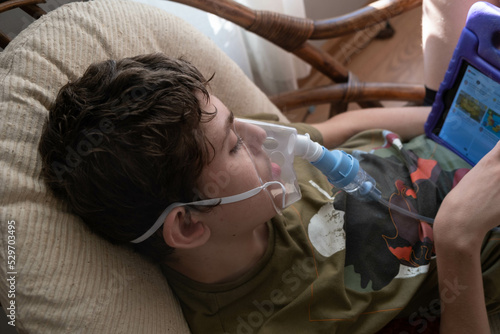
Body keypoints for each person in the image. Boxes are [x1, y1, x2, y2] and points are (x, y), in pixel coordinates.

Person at [37, 0, 499, 333]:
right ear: (187, 224)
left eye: (238, 124)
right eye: (235, 145)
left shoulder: (264, 185)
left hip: (450, 144)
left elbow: (343, 126)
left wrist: (445, 119)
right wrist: (457, 237)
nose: (268, 135)